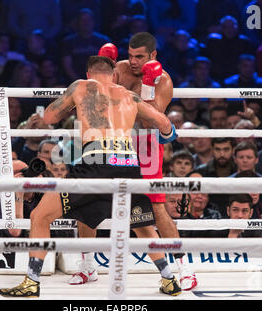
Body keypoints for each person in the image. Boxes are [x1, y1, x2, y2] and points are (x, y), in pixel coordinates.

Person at [0, 55, 181, 297]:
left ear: (88, 73)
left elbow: (50, 118)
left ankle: (32, 281)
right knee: (142, 225)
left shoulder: (81, 86)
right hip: (128, 164)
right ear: (114, 74)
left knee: (40, 215)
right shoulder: (130, 96)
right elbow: (165, 125)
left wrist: (66, 106)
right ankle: (170, 280)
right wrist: (165, 133)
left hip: (96, 163)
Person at [71, 33, 197, 290]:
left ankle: (184, 267)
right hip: (112, 143)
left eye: (140, 57)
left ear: (153, 56)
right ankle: (87, 264)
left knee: (157, 209)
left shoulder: (164, 81)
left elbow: (151, 120)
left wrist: (148, 85)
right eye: (130, 55)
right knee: (87, 199)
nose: (134, 61)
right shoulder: (119, 69)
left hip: (146, 147)